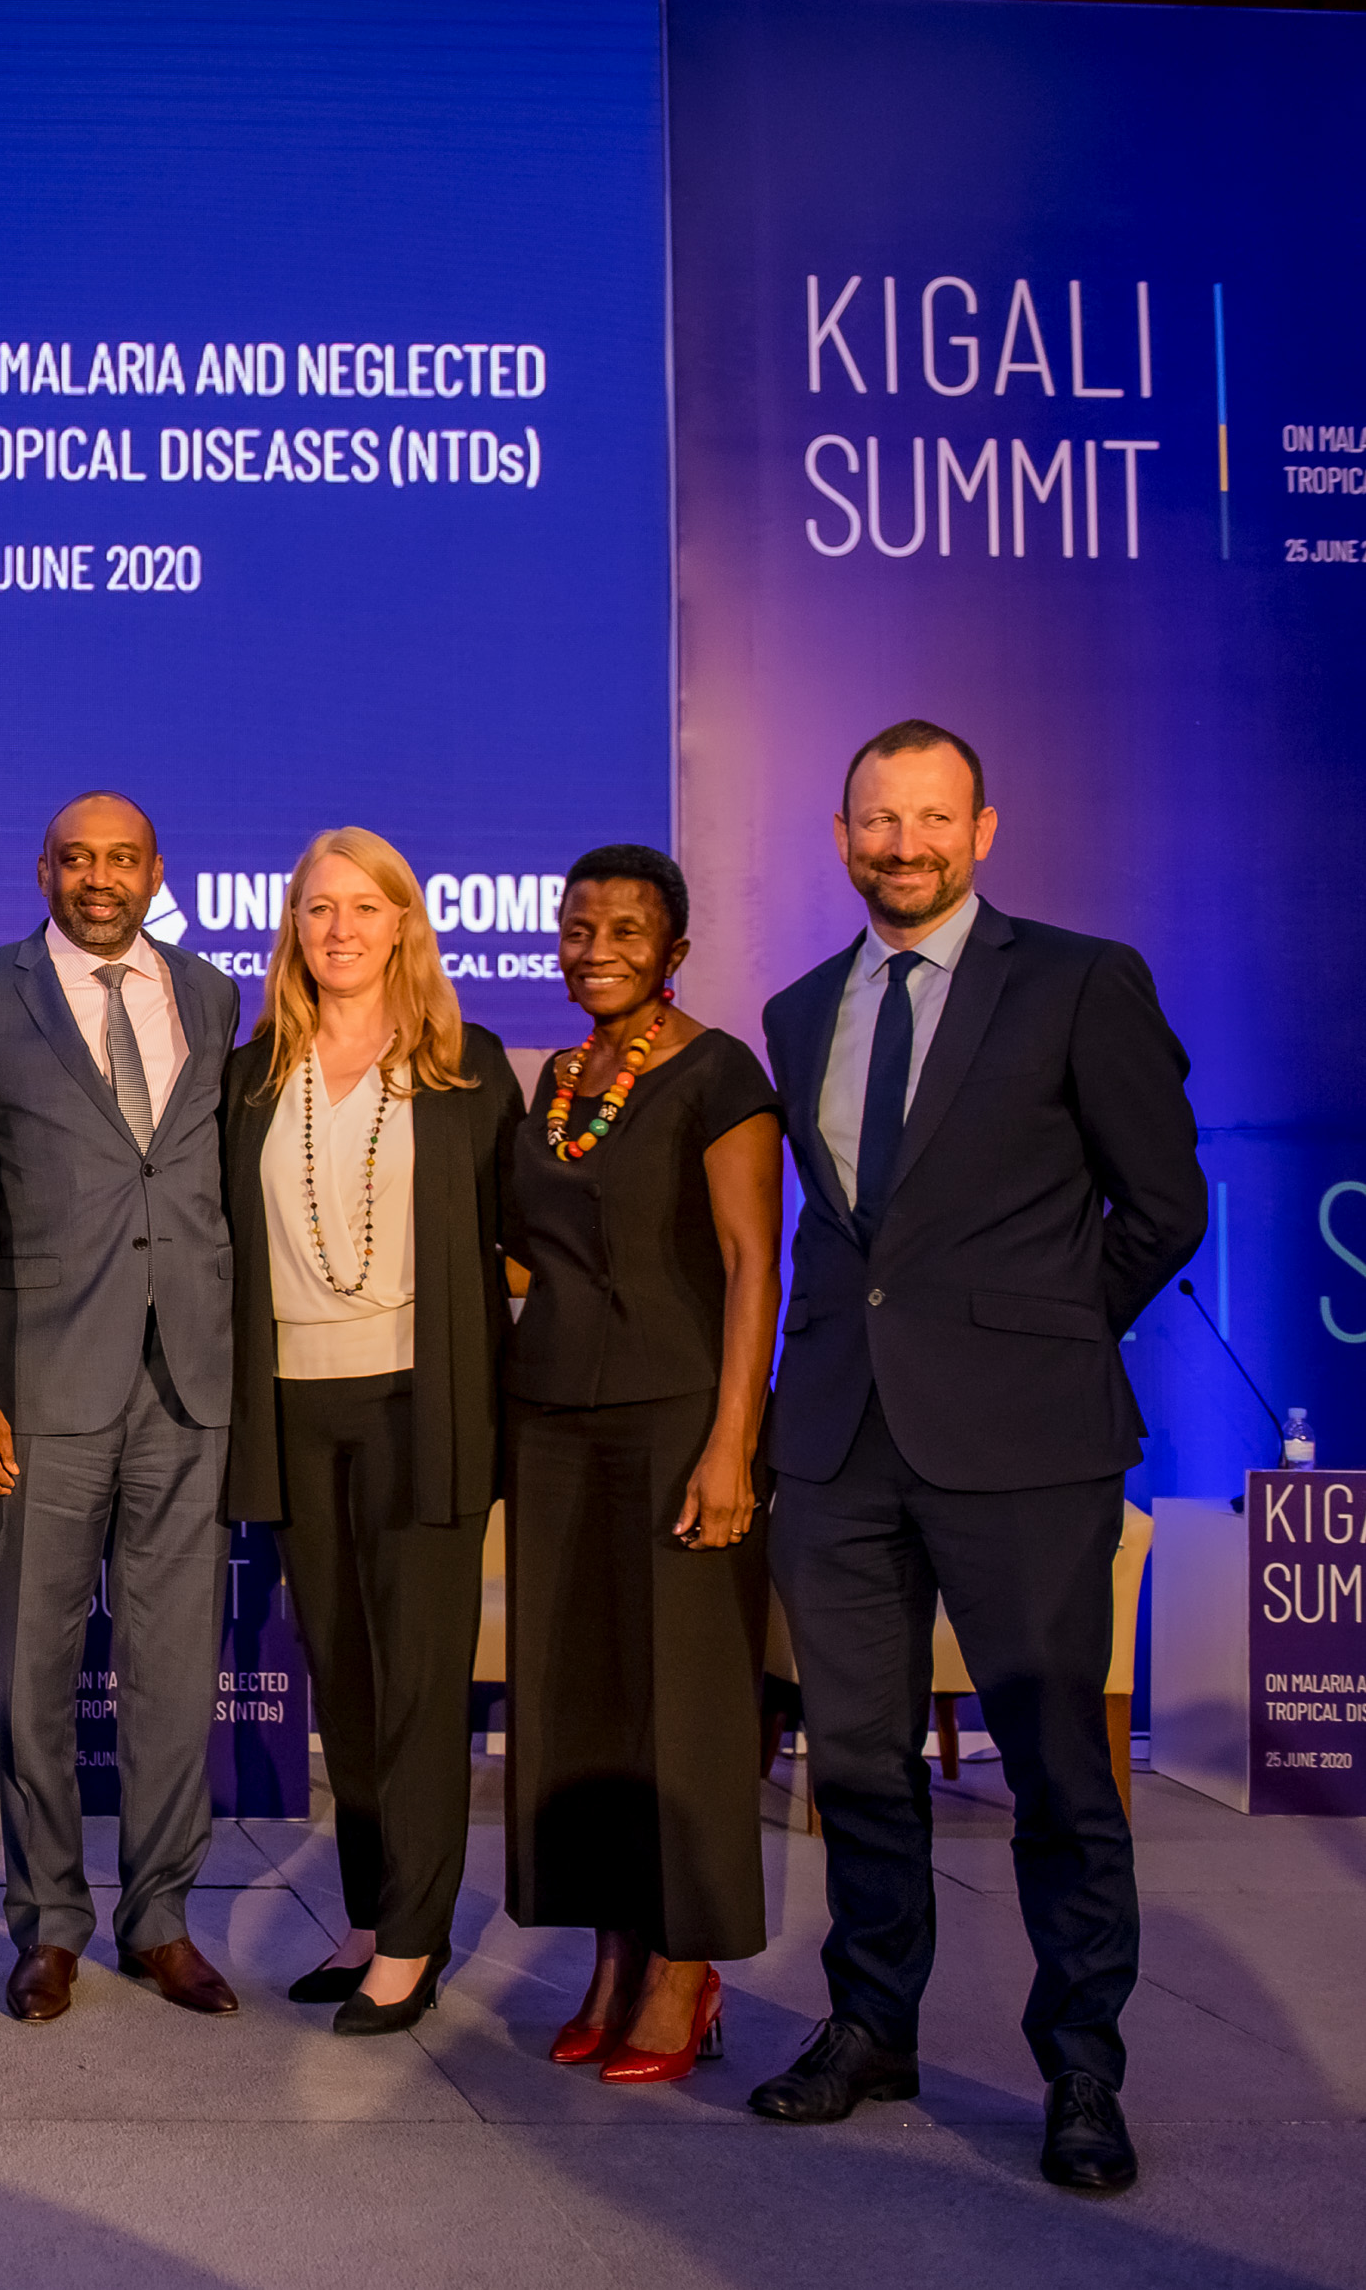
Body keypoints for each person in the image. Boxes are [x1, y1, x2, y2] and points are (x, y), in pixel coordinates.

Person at [749, 722, 1202, 2193]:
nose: (905, 844)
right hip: (839, 1440)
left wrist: (1045, 1336)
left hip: (1026, 1442)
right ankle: (872, 2024)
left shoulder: (1079, 979)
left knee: (1060, 1770)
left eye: (933, 817)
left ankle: (1080, 2066)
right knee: (859, 1761)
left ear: (983, 830)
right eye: (879, 820)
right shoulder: (800, 1008)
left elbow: (1165, 1204)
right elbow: (848, 1234)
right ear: (841, 836)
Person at [0, 791, 244, 2027]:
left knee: (174, 1670)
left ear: (156, 871)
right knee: (34, 1673)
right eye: (74, 859)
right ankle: (48, 1924)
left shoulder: (211, 994)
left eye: (120, 859)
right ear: (42, 871)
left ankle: (160, 1919)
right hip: (40, 1382)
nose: (97, 878)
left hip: (190, 1380)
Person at [221, 826, 517, 2037]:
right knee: (342, 1683)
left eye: (363, 906)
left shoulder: (464, 1067)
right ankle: (368, 1915)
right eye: (317, 907)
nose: (338, 928)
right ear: (293, 927)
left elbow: (520, 1241)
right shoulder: (252, 1075)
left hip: (421, 1408)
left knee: (418, 1687)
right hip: (294, 1405)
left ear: (403, 925)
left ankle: (413, 1939)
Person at [500, 844, 782, 2081]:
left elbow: (752, 1264)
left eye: (625, 929)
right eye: (578, 927)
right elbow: (531, 1251)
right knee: (582, 1702)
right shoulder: (557, 1081)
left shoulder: (720, 1073)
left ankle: (683, 1969)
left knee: (688, 1700)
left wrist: (732, 1444)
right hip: (552, 1421)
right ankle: (611, 1957)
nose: (596, 948)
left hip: (677, 1422)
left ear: (674, 950)